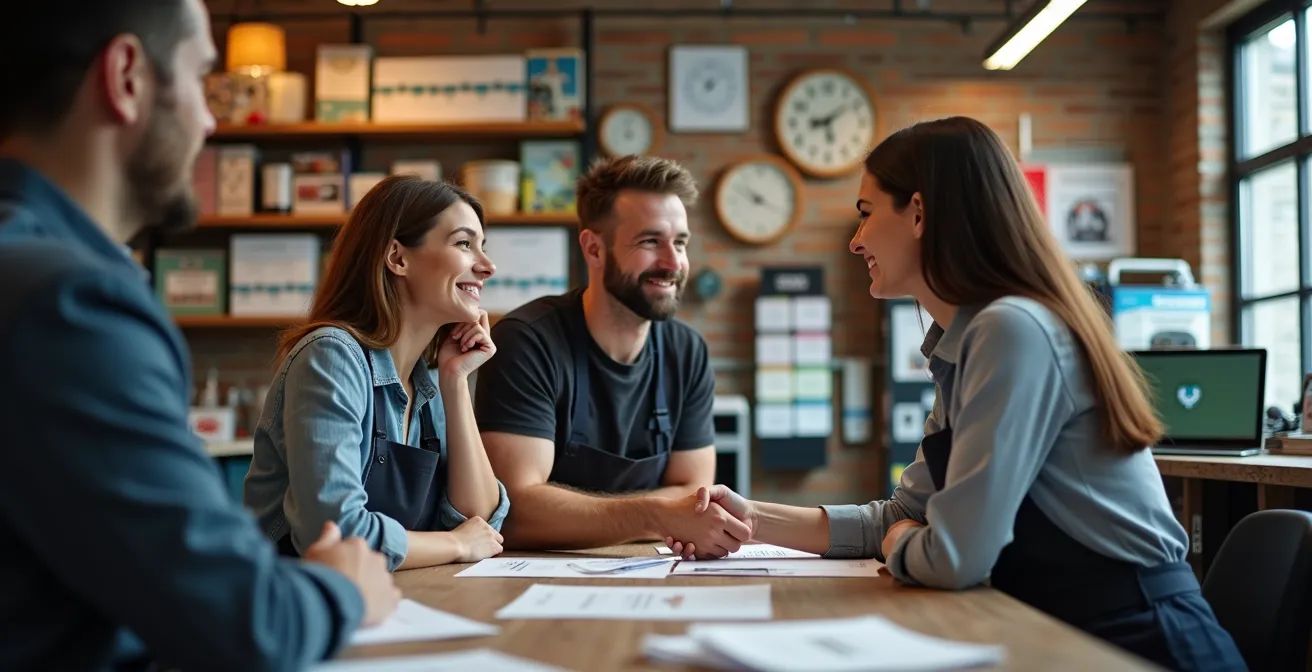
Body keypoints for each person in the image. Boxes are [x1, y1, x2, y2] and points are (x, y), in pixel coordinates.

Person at [666, 117, 1245, 671]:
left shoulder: (1012, 330)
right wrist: (749, 519)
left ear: (918, 213)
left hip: (1140, 642)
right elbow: (901, 517)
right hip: (1062, 630)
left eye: (866, 215)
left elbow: (952, 558)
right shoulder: (965, 342)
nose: (855, 240)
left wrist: (904, 539)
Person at [0, 1, 400, 670]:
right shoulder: (71, 303)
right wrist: (341, 586)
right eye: (202, 80)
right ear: (126, 77)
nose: (212, 120)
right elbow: (251, 627)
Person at [473, 155, 750, 557]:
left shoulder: (686, 351)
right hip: (539, 583)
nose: (673, 263)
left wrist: (621, 516)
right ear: (594, 248)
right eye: (651, 241)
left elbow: (695, 494)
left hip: (654, 570)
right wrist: (655, 514)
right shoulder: (528, 342)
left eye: (681, 242)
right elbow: (514, 509)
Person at [244, 174, 510, 571]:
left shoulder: (430, 381)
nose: (487, 266)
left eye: (482, 247)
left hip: (387, 601)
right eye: (464, 243)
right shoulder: (332, 357)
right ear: (398, 258)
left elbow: (481, 522)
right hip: (293, 606)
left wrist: (455, 382)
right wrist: (454, 544)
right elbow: (334, 535)